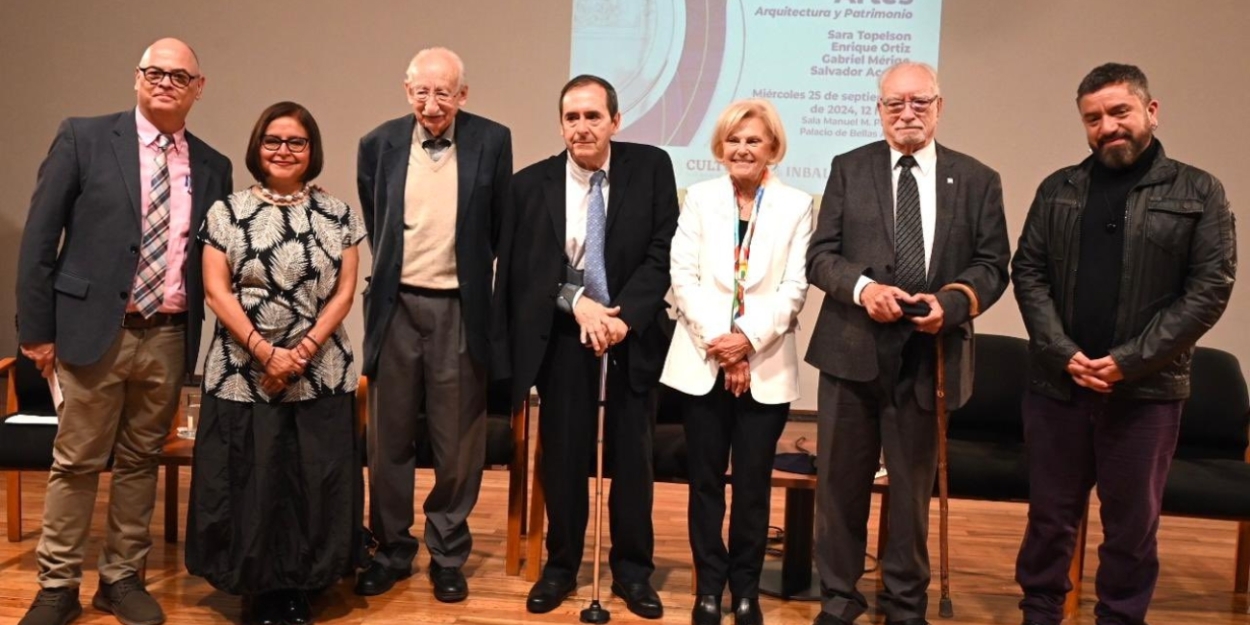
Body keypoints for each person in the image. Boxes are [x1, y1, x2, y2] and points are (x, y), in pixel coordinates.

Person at [14, 38, 232, 625]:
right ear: (137, 78)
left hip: (168, 333)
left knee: (140, 461)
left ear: (198, 87)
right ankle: (57, 586)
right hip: (92, 330)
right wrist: (36, 333)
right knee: (78, 461)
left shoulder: (213, 165)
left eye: (178, 75)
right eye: (154, 72)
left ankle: (121, 577)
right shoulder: (83, 138)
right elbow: (39, 241)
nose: (165, 82)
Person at [1011, 63, 1236, 625]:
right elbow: (1029, 272)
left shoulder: (1199, 190)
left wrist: (1128, 362)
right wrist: (1064, 353)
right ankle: (1039, 614)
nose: (1107, 126)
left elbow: (1209, 289)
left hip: (1146, 393)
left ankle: (1119, 617)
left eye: (1119, 112)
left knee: (1132, 528)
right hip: (1057, 387)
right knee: (1048, 520)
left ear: (1150, 112)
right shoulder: (1058, 188)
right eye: (1094, 118)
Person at [805, 61, 1010, 625]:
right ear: (879, 110)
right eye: (895, 104)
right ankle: (840, 598)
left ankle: (904, 602)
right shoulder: (850, 168)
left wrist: (955, 301)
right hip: (851, 352)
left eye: (919, 102)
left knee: (913, 493)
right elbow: (820, 256)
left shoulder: (977, 179)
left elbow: (994, 265)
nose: (907, 113)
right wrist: (864, 288)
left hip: (931, 358)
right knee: (841, 489)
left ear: (939, 106)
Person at [492, 74, 678, 619]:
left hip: (631, 333)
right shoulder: (530, 185)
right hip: (564, 339)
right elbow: (525, 271)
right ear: (561, 125)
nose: (582, 127)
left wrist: (624, 319)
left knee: (634, 461)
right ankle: (561, 566)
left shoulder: (651, 168)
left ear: (615, 122)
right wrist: (577, 303)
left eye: (593, 116)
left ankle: (632, 572)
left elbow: (663, 250)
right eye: (572, 117)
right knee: (566, 459)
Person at [184, 101, 365, 625]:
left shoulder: (338, 214)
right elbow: (217, 292)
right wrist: (266, 353)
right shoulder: (226, 212)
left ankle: (301, 585)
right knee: (251, 479)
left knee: (309, 480)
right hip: (242, 372)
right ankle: (254, 585)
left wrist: (301, 353)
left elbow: (345, 292)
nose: (284, 150)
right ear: (257, 147)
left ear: (312, 152)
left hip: (320, 372)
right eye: (273, 140)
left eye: (296, 142)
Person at [354, 46, 512, 603]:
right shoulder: (378, 144)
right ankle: (392, 547)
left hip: (460, 310)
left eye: (443, 91)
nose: (432, 102)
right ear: (406, 91)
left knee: (458, 442)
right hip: (396, 307)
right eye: (421, 91)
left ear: (462, 95)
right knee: (388, 437)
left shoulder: (493, 141)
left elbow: (495, 229)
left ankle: (447, 550)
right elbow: (379, 225)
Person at [659, 98, 813, 625]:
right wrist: (722, 344)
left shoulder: (796, 206)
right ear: (720, 148)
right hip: (701, 363)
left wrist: (746, 340)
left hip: (766, 367)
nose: (742, 149)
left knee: (752, 487)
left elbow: (794, 288)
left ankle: (745, 590)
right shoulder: (699, 200)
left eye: (753, 140)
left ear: (772, 147)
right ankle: (709, 588)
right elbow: (683, 278)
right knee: (705, 485)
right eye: (734, 140)